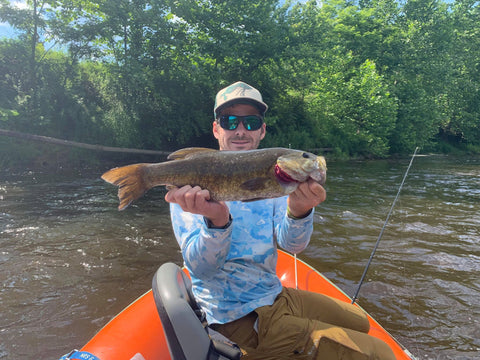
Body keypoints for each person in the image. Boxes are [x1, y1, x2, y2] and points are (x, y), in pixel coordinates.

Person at [165, 81, 395, 360]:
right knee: (380, 354)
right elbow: (200, 269)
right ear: (216, 129)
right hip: (237, 318)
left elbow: (292, 245)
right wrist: (217, 221)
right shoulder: (192, 189)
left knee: (360, 322)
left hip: (274, 295)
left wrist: (299, 211)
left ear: (262, 130)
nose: (240, 130)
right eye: (230, 121)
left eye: (251, 122)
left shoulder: (275, 179)